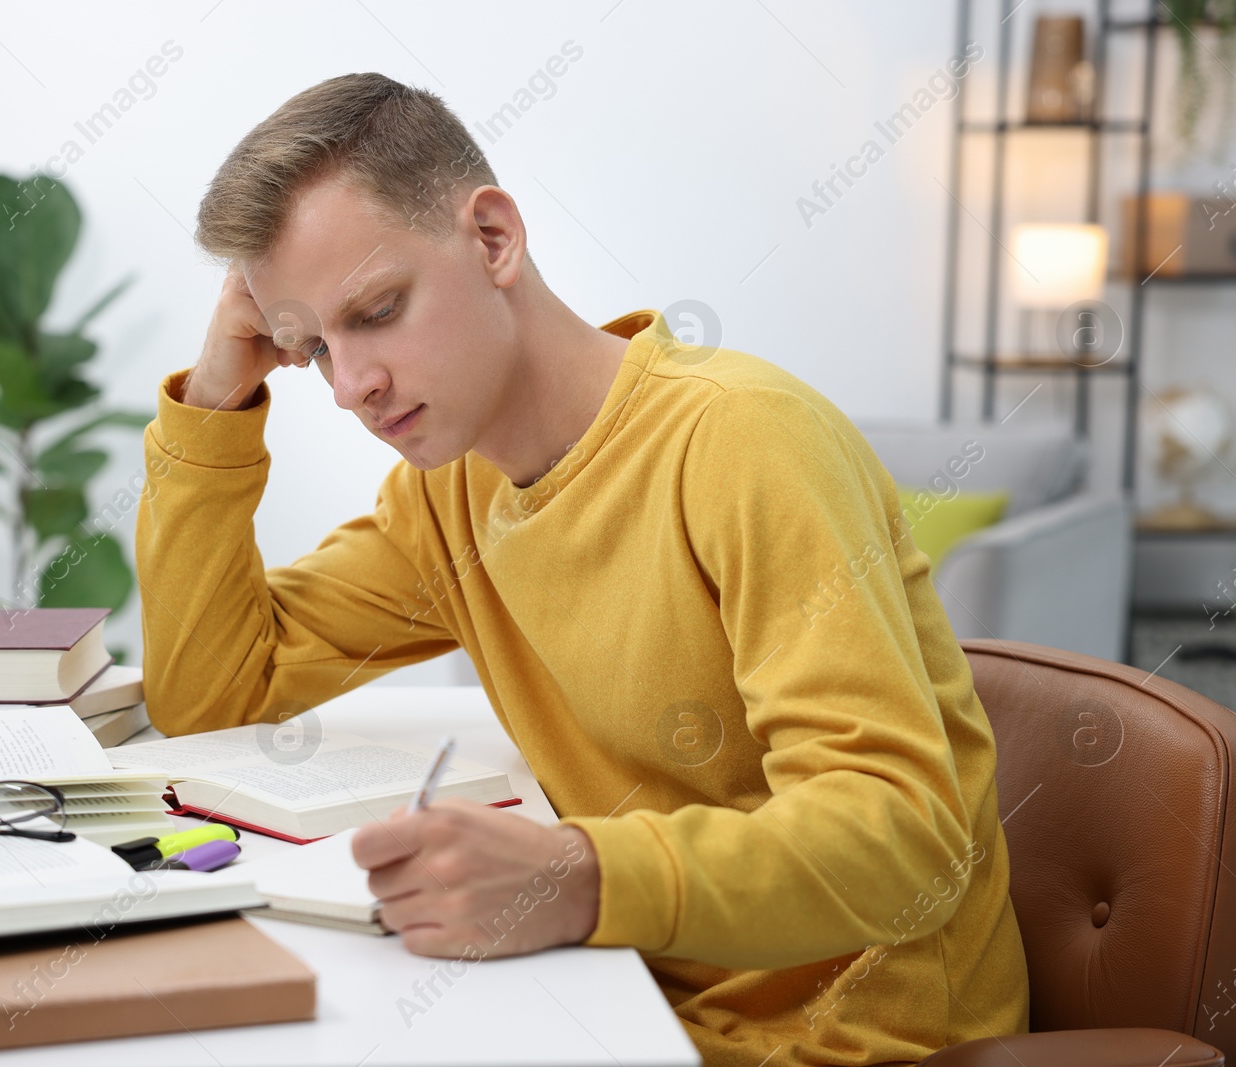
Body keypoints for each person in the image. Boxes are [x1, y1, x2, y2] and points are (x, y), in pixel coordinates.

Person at [135, 70, 1029, 1066]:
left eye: (377, 311)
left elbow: (903, 838)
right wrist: (216, 397)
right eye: (309, 349)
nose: (351, 385)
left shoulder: (744, 442)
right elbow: (213, 694)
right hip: (623, 997)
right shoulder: (449, 491)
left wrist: (577, 873)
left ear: (492, 238)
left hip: (850, 1041)